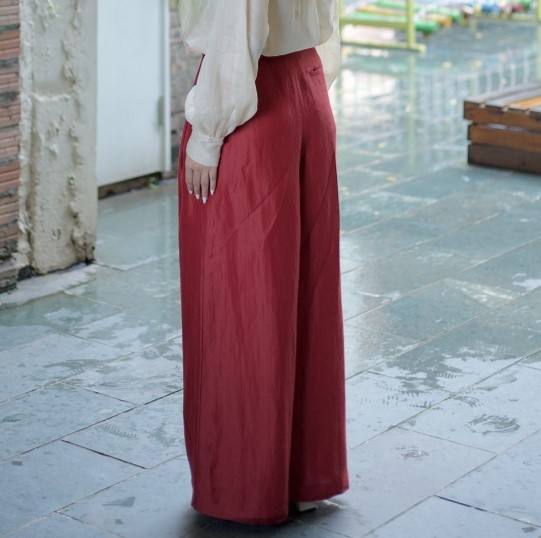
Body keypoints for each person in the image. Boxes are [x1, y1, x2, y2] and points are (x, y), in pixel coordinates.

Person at [176, 0, 348, 526]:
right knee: (304, 288)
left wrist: (208, 134)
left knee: (240, 296)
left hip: (254, 104)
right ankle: (302, 477)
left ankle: (245, 485)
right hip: (306, 86)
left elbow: (237, 25)